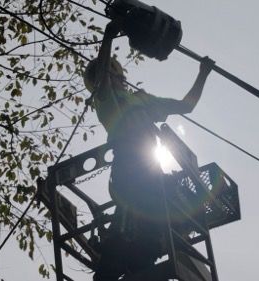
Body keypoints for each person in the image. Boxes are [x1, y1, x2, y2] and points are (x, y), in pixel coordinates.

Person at [83, 18, 214, 281]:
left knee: (146, 236)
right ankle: (113, 268)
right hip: (129, 169)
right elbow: (102, 81)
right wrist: (108, 36)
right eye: (104, 71)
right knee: (129, 230)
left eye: (111, 69)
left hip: (148, 171)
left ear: (120, 72)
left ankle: (136, 261)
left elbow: (186, 106)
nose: (110, 74)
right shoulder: (106, 99)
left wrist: (203, 73)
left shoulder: (142, 100)